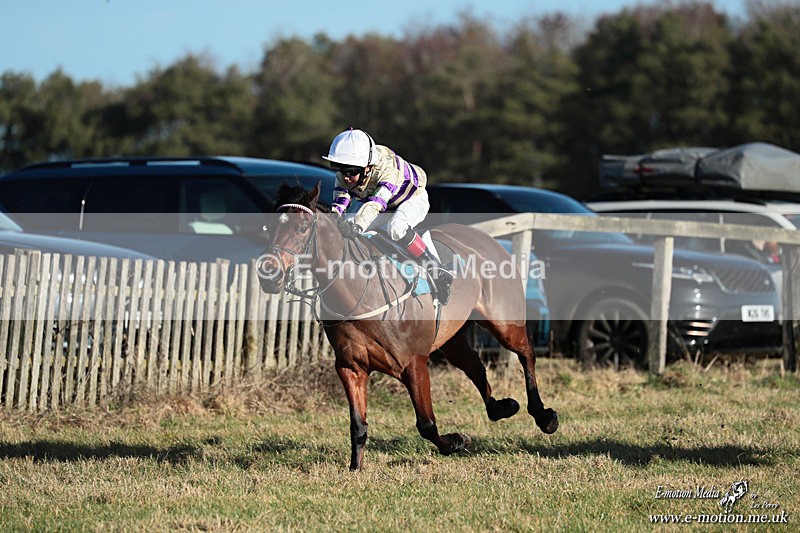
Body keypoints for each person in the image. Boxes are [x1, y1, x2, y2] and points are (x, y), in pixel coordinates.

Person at [323, 127, 453, 304]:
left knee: (396, 228)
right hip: (384, 204)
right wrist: (332, 220)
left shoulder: (388, 169)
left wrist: (356, 227)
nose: (345, 177)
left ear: (368, 168)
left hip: (411, 199)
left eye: (351, 171)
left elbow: (376, 204)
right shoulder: (346, 174)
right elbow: (340, 203)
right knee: (351, 221)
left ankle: (436, 269)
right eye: (339, 168)